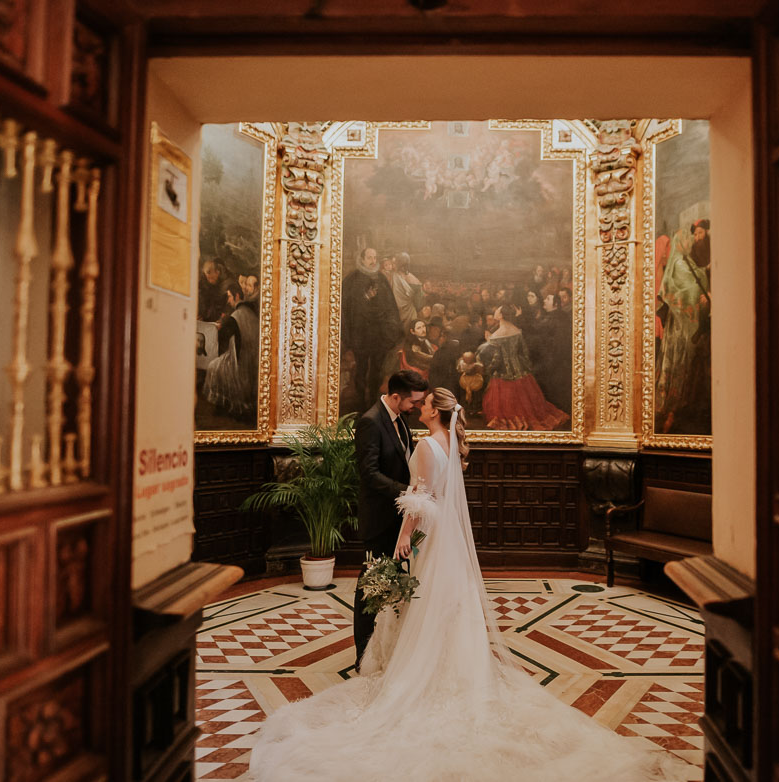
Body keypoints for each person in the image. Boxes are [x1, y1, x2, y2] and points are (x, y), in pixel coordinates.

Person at [250, 388, 681, 781]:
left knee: (423, 603)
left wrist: (403, 540)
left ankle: (422, 670)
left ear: (435, 411)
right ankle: (456, 669)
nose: (417, 407)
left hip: (429, 537)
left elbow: (418, 501)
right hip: (448, 539)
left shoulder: (423, 446)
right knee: (448, 605)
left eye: (423, 405)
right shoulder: (450, 447)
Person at [349, 370, 428, 669]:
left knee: (390, 585)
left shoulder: (400, 419)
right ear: (396, 397)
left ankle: (384, 648)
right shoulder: (370, 421)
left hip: (398, 519)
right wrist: (407, 491)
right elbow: (368, 474)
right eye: (414, 401)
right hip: (379, 519)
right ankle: (362, 654)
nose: (417, 407)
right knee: (370, 586)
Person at [656, 219, 711, 434]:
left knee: (688, 361)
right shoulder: (679, 262)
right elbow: (687, 289)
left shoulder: (685, 260)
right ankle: (673, 405)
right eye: (688, 238)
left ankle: (682, 403)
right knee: (680, 359)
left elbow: (697, 277)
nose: (691, 241)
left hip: (684, 321)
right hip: (680, 324)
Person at [480, 304, 568, 431]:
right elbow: (524, 354)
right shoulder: (516, 330)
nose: (496, 311)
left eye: (498, 310)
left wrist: (488, 343)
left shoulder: (496, 336)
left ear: (501, 315)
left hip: (502, 376)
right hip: (521, 372)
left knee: (505, 406)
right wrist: (526, 370)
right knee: (526, 403)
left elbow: (496, 359)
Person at [342, 248, 403, 413]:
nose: (373, 260)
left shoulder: (381, 279)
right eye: (369, 257)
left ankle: (374, 403)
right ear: (362, 259)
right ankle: (361, 403)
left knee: (377, 370)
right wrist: (366, 298)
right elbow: (348, 307)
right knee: (361, 369)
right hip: (360, 334)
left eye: (375, 257)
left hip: (378, 335)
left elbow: (389, 305)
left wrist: (391, 328)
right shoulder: (352, 279)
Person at [202, 280, 259, 421]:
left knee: (213, 367)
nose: (228, 301)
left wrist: (219, 327)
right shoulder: (251, 314)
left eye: (229, 296)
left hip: (240, 365)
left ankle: (222, 408)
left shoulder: (236, 316)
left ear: (237, 296)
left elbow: (222, 338)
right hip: (252, 363)